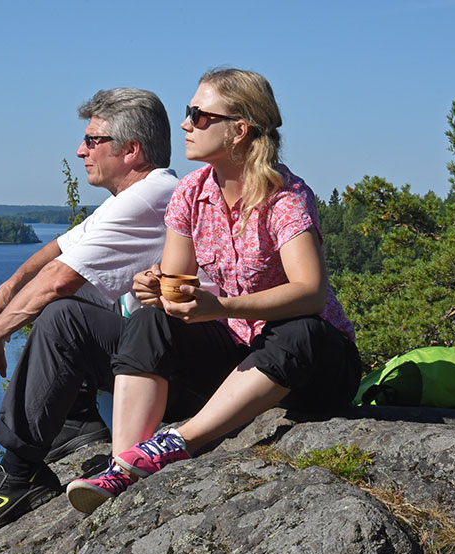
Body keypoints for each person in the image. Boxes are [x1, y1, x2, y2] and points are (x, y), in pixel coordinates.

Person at [66, 68, 362, 515]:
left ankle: (176, 443)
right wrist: (156, 286)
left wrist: (221, 307)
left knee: (298, 328)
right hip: (243, 358)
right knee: (151, 318)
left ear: (239, 130)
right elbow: (177, 283)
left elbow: (311, 294)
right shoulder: (191, 192)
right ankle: (124, 465)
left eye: (198, 115)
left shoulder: (286, 197)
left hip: (315, 366)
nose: (185, 124)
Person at [0, 88, 188, 544]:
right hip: (153, 363)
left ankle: (19, 477)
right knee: (66, 308)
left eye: (93, 140)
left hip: (176, 379)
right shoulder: (134, 196)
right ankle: (79, 418)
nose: (81, 150)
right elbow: (60, 247)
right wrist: (6, 289)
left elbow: (59, 278)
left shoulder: (154, 196)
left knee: (62, 314)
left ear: (131, 149)